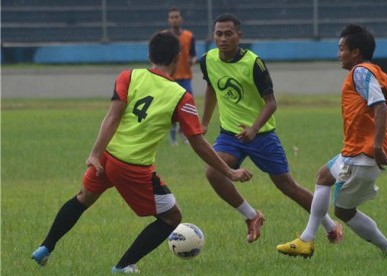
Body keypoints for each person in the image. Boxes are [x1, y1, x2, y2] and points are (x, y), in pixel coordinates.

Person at [31, 31, 252, 273]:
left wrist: (95, 153)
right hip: (133, 167)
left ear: (149, 54)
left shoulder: (129, 76)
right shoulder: (181, 96)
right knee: (172, 218)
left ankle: (45, 247)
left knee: (83, 198)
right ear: (178, 58)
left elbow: (112, 116)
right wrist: (229, 172)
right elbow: (198, 143)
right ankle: (123, 266)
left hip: (107, 156)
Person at [199, 13, 343, 244]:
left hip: (261, 136)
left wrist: (254, 129)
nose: (223, 38)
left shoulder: (254, 63)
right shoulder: (207, 60)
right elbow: (212, 88)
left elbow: (271, 103)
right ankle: (252, 216)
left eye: (228, 34)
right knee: (213, 172)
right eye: (218, 34)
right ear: (213, 35)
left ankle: (330, 226)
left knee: (287, 186)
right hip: (230, 134)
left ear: (239, 36)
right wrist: (205, 121)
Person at [276, 24, 387, 258]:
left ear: (355, 52)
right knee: (323, 176)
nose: (338, 54)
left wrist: (375, 145)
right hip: (356, 154)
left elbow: (379, 108)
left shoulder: (360, 72)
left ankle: (386, 248)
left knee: (344, 212)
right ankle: (307, 239)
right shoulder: (380, 74)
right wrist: (379, 143)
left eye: (341, 49)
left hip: (360, 157)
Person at [166, 7, 197, 145]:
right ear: (168, 19)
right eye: (172, 17)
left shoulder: (189, 36)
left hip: (185, 77)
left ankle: (184, 133)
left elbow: (193, 54)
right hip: (170, 78)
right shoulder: (165, 37)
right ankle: (172, 136)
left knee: (188, 107)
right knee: (171, 108)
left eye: (176, 16)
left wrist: (193, 60)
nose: (174, 19)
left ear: (181, 18)